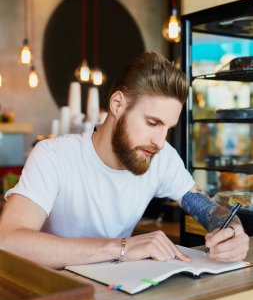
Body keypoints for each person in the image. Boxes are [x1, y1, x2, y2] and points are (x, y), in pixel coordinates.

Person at [0, 51, 249, 268]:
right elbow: (8, 241)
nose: (160, 142)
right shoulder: (53, 156)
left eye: (168, 129)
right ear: (118, 105)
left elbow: (209, 209)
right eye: (152, 123)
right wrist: (120, 248)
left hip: (120, 293)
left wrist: (232, 229)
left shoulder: (161, 158)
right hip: (60, 296)